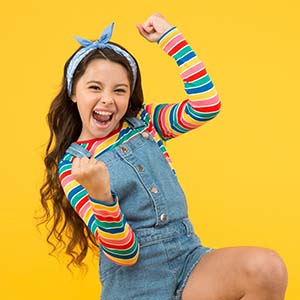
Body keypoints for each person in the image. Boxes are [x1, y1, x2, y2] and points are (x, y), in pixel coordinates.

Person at [40, 13, 288, 300]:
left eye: (119, 90)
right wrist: (100, 193)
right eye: (94, 87)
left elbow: (206, 106)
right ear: (73, 93)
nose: (108, 99)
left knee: (266, 268)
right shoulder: (73, 167)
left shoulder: (146, 122)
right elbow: (125, 253)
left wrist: (172, 39)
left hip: (189, 260)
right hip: (135, 284)